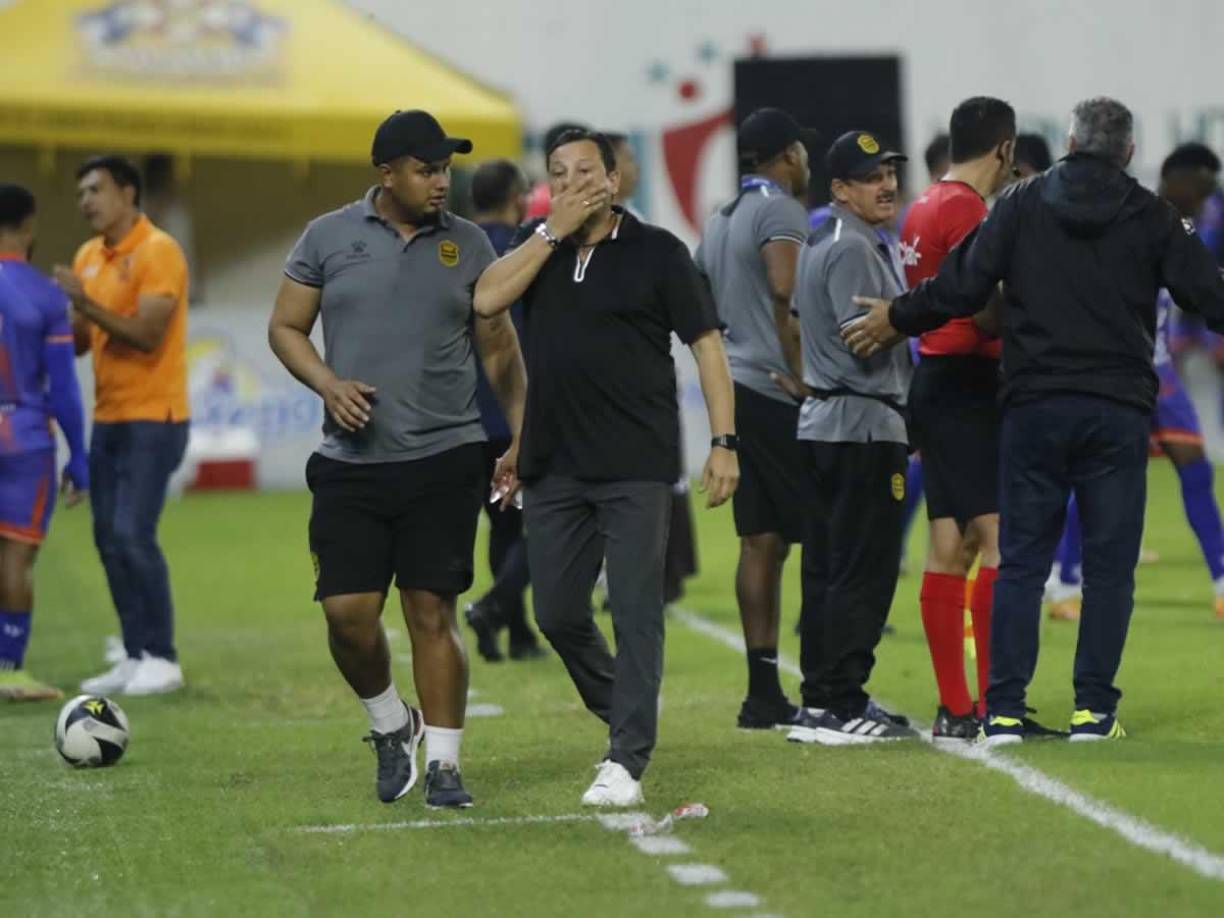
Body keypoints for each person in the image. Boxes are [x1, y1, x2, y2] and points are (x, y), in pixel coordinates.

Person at [845, 97, 1224, 744]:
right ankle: (1092, 712)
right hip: (1116, 409)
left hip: (1033, 406)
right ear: (1129, 152)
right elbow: (1210, 296)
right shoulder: (1151, 215)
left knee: (1019, 560)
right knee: (1109, 566)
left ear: (1071, 141)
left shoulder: (1020, 205)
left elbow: (961, 287)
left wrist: (897, 317)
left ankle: (1003, 711)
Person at [268, 110, 527, 808]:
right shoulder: (327, 237)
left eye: (445, 168)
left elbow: (499, 347)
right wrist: (328, 382)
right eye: (426, 169)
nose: (441, 181)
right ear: (387, 174)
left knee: (431, 612)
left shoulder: (470, 245)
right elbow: (285, 327)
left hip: (446, 455)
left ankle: (444, 762)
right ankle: (392, 723)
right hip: (350, 462)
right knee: (346, 615)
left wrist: (519, 433)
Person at [473, 128, 738, 806]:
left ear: (614, 181)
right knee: (557, 612)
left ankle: (626, 757)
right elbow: (486, 300)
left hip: (635, 466)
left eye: (584, 172)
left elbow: (706, 346)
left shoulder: (657, 253)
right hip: (554, 464)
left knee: (634, 607)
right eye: (557, 173)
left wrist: (724, 442)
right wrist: (549, 233)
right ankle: (627, 709)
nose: (569, 184)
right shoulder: (537, 247)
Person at [784, 131, 918, 746]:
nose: (886, 183)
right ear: (840, 189)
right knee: (862, 568)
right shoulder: (854, 247)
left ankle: (826, 700)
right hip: (861, 427)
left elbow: (796, 320)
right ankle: (838, 701)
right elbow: (864, 337)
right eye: (870, 176)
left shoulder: (832, 238)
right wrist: (924, 312)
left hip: (830, 425)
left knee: (831, 567)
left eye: (889, 171)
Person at [1052, 143, 1224, 622]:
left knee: (1196, 470)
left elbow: (1195, 289)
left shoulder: (1181, 226)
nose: (1206, 197)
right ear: (1177, 179)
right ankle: (1064, 583)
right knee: (1092, 483)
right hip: (1114, 375)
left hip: (1160, 372)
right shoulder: (1136, 219)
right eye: (1203, 186)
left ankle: (1222, 581)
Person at [900, 97, 1017, 740]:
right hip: (970, 384)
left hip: (934, 382)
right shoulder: (970, 209)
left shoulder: (923, 204)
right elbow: (983, 314)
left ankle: (955, 708)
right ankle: (998, 703)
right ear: (1003, 148)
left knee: (951, 546)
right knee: (1000, 541)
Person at [694, 107, 813, 729]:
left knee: (759, 541)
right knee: (820, 533)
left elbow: (698, 300)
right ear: (788, 154)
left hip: (738, 387)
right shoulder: (782, 211)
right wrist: (804, 375)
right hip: (774, 391)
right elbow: (786, 292)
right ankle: (826, 683)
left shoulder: (720, 218)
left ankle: (762, 690)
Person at [54, 155, 190, 697]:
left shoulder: (158, 250)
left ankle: (164, 655)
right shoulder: (89, 255)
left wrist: (83, 302)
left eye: (96, 189)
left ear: (128, 193)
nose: (86, 200)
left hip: (154, 418)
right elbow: (87, 342)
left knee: (134, 533)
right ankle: (136, 653)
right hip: (108, 417)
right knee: (108, 538)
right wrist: (61, 318)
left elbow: (147, 335)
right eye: (81, 191)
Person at [0, 185, 89, 701]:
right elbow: (64, 390)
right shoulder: (45, 297)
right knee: (15, 556)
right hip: (23, 438)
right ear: (28, 228)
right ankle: (8, 669)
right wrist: (78, 456)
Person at [461, 159, 544, 663]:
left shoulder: (456, 250)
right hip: (517, 409)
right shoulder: (525, 252)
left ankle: (515, 630)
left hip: (464, 414)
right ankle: (497, 611)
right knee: (546, 524)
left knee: (501, 525)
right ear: (518, 199)